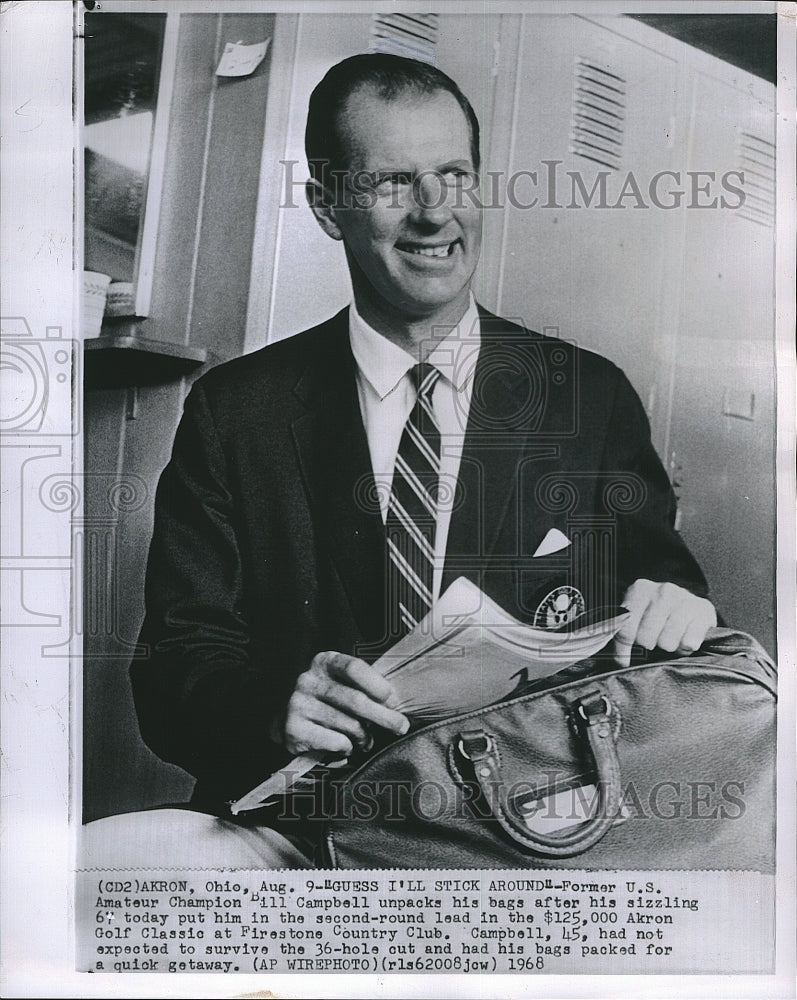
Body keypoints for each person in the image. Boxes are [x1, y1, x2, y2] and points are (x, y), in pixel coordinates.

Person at [106, 53, 716, 869]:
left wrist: (676, 611)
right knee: (93, 887)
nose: (435, 213)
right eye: (393, 182)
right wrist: (271, 709)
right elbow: (175, 669)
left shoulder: (586, 397)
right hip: (303, 827)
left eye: (454, 175)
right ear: (328, 207)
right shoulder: (234, 411)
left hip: (521, 830)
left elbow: (668, 603)